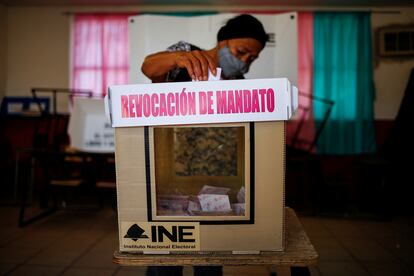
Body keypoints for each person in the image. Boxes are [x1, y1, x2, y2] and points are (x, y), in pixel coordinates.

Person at [141, 14, 268, 276]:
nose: (245, 62)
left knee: (210, 258)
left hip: (218, 181)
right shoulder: (187, 55)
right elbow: (149, 67)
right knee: (168, 257)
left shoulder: (238, 84)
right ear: (223, 41)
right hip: (173, 178)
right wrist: (178, 59)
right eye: (241, 52)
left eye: (251, 59)